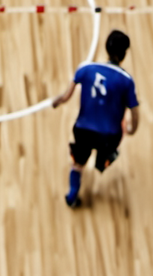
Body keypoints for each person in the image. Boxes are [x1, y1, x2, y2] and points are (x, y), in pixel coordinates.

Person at [52, 30, 139, 207]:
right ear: (124, 54)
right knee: (111, 144)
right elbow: (135, 113)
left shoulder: (86, 69)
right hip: (109, 137)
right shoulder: (126, 81)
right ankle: (104, 160)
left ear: (106, 48)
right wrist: (131, 129)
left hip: (83, 130)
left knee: (77, 164)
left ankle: (72, 195)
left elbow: (66, 96)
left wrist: (57, 101)